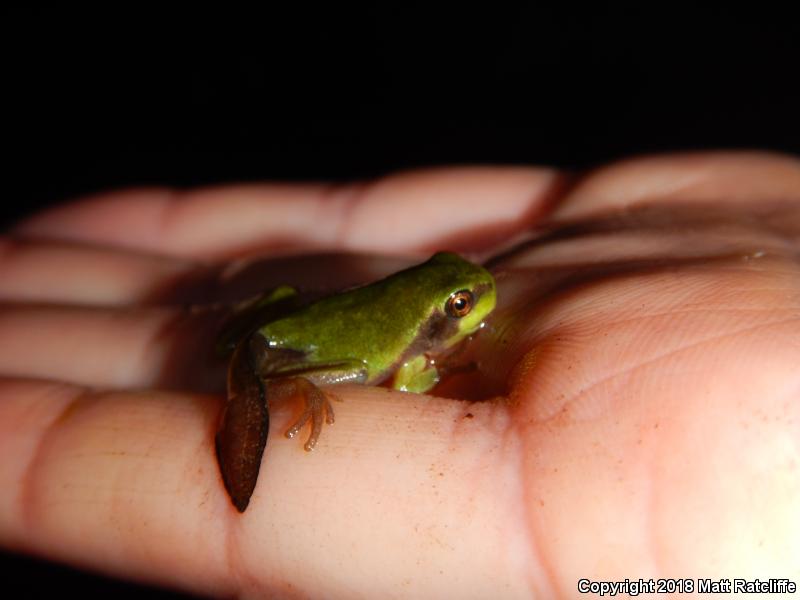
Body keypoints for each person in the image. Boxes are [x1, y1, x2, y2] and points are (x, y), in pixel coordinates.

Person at [1, 152, 798, 597]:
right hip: (302, 348)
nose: (475, 300)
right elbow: (409, 380)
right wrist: (341, 374)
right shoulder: (411, 351)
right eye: (459, 299)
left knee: (281, 317)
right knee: (335, 362)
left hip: (289, 317)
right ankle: (284, 384)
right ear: (437, 318)